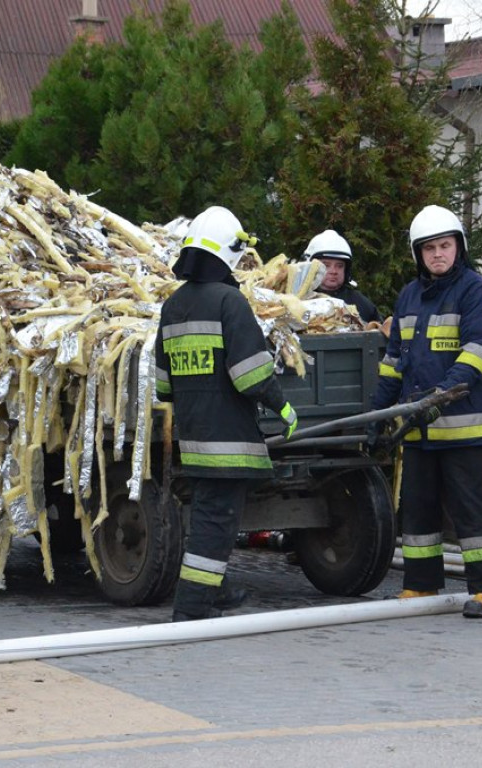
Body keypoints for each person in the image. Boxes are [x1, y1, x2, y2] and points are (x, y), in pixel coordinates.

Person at [154, 205, 298, 622]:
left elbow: (164, 385)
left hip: (195, 437)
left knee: (206, 518)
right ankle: (192, 608)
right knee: (215, 527)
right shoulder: (229, 302)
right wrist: (284, 407)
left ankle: (216, 592)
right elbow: (250, 374)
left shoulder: (173, 307)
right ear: (229, 254)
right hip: (230, 441)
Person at [371, 204, 482, 618]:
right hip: (418, 429)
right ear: (418, 254)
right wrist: (378, 410)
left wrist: (440, 395)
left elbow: (479, 355)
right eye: (429, 248)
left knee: (473, 511)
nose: (437, 255)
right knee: (418, 509)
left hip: (462, 428)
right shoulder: (409, 296)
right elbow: (395, 360)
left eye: (445, 246)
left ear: (459, 247)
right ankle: (421, 584)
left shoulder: (477, 293)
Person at [304, 229, 382, 324]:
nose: (333, 271)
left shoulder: (360, 303)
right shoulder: (297, 301)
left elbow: (378, 333)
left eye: (339, 266)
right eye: (326, 265)